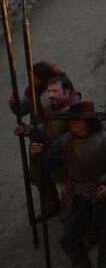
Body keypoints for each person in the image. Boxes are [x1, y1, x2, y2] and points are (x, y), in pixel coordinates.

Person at [44, 100, 106, 268]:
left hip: (101, 192)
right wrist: (38, 154)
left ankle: (104, 261)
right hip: (77, 195)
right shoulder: (64, 142)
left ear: (88, 121)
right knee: (68, 238)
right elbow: (48, 166)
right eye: (71, 120)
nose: (73, 123)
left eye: (77, 120)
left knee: (105, 229)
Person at [12, 69, 80, 219]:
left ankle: (72, 212)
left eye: (55, 91)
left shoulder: (73, 106)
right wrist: (27, 129)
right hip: (51, 147)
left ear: (66, 91)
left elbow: (71, 132)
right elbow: (47, 126)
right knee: (44, 175)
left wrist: (52, 148)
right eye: (49, 91)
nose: (50, 95)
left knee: (70, 184)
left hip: (67, 152)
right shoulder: (51, 106)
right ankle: (61, 208)